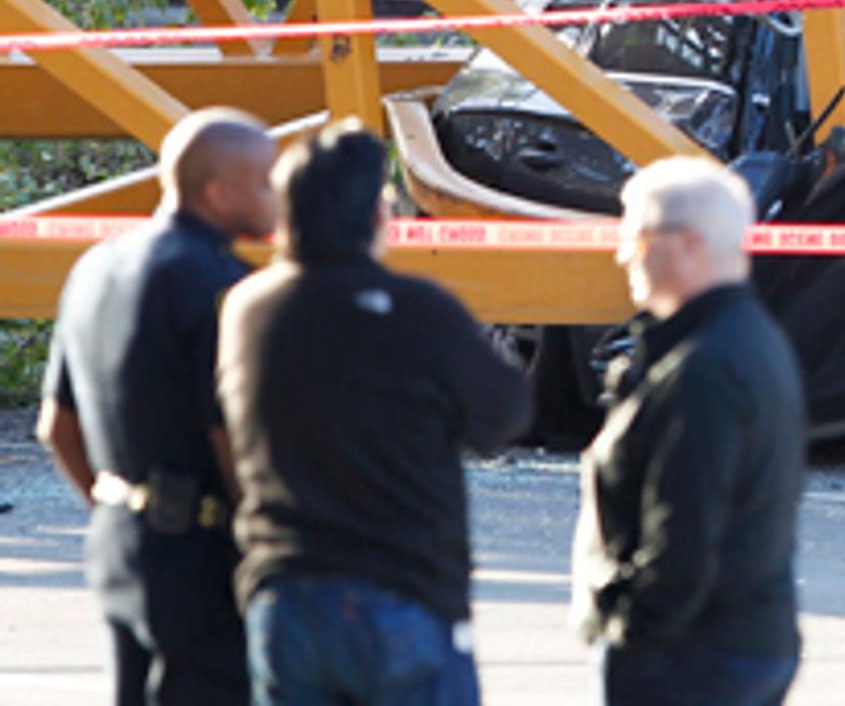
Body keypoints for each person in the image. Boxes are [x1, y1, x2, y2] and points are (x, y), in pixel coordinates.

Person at [217, 122, 530, 706]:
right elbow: (502, 415)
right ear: (378, 217)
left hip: (286, 590)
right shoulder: (421, 312)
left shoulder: (248, 310)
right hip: (401, 589)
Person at [38, 107, 278, 706]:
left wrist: (116, 503)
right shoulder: (221, 287)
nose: (276, 196)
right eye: (264, 181)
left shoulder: (94, 267)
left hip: (121, 542)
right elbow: (232, 438)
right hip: (203, 557)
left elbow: (56, 426)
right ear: (218, 192)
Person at [572, 158, 805, 706]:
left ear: (689, 244)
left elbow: (684, 535)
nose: (623, 252)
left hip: (692, 657)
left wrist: (628, 627)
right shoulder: (747, 343)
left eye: (637, 235)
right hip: (734, 643)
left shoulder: (705, 370)